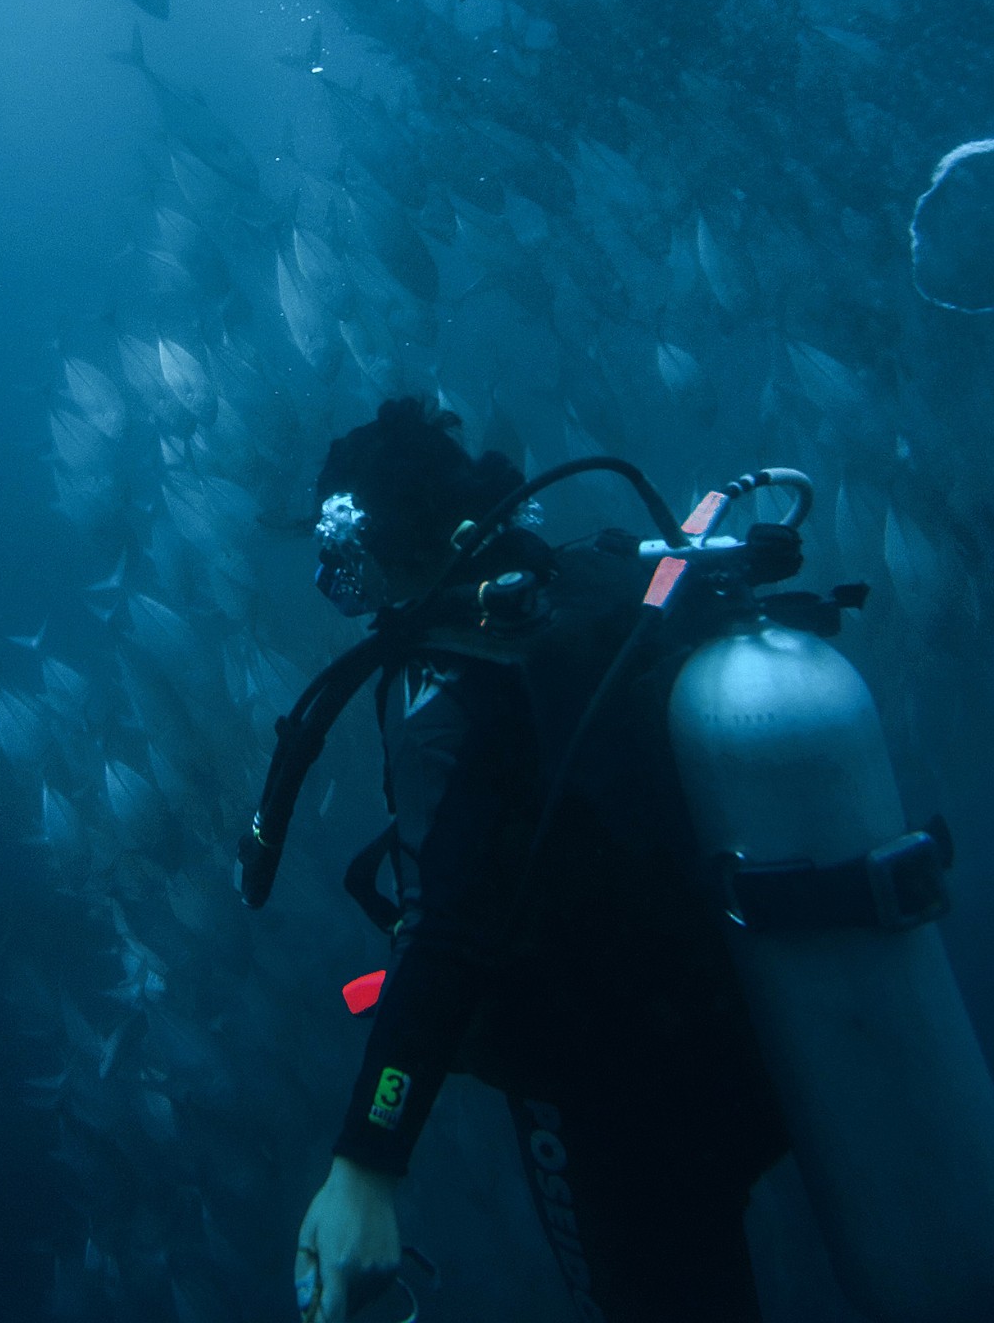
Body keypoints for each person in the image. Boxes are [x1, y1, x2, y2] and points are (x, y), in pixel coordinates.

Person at [293, 398, 788, 1323]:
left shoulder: (445, 684)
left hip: (606, 1100)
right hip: (738, 1035)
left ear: (390, 544)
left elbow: (444, 933)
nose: (344, 583)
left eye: (345, 558)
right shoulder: (599, 582)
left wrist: (366, 1162)